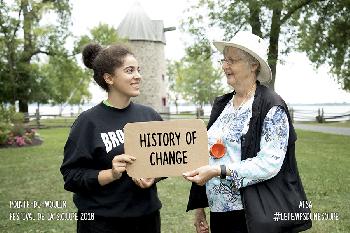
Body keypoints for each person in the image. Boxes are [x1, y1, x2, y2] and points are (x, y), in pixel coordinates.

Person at [183, 31, 312, 233]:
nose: (225, 66)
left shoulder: (272, 105)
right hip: (220, 212)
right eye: (224, 60)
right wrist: (200, 207)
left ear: (254, 65)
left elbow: (269, 163)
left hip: (253, 214)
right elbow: (206, 157)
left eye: (232, 60)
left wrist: (220, 171)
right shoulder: (222, 105)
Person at [60, 43, 163, 233]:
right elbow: (71, 176)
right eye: (129, 70)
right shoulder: (87, 122)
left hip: (146, 219)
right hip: (101, 222)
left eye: (138, 70)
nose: (138, 76)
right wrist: (111, 174)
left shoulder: (150, 116)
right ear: (109, 78)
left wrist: (153, 176)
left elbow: (165, 160)